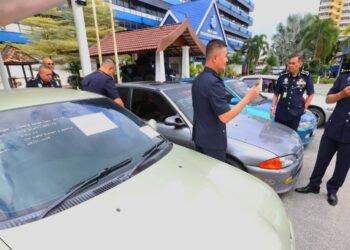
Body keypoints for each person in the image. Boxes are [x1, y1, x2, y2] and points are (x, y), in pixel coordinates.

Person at [192, 39, 259, 161]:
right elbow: (225, 117)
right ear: (215, 58)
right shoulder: (214, 82)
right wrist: (248, 97)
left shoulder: (198, 79)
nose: (227, 60)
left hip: (199, 139)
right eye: (226, 56)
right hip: (213, 145)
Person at [295, 73, 350, 206]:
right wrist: (341, 94)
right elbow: (328, 99)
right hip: (334, 128)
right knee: (322, 159)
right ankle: (314, 185)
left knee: (342, 166)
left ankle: (333, 190)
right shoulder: (344, 78)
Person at [270, 54, 314, 131]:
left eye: (293, 63)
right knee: (278, 135)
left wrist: (305, 106)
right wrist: (273, 108)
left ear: (300, 65)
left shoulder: (306, 77)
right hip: (281, 113)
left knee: (291, 136)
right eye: (289, 63)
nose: (290, 65)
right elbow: (276, 94)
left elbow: (311, 94)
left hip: (295, 114)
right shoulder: (283, 76)